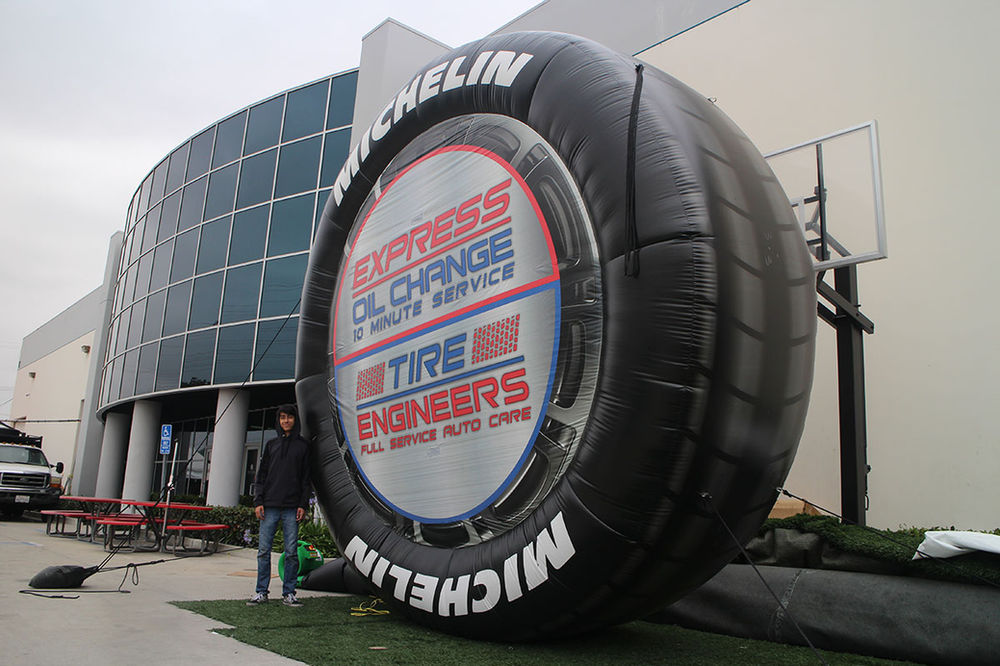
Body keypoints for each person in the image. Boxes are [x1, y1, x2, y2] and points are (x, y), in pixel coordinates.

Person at [248, 404, 311, 607]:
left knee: (291, 552)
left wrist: (303, 504)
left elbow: (306, 479)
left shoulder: (303, 446)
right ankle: (261, 592)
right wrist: (258, 501)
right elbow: (262, 475)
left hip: (292, 507)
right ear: (279, 421)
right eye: (282, 418)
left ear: (295, 420)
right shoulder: (271, 445)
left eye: (289, 417)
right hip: (269, 506)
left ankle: (289, 593)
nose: (286, 421)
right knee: (263, 551)